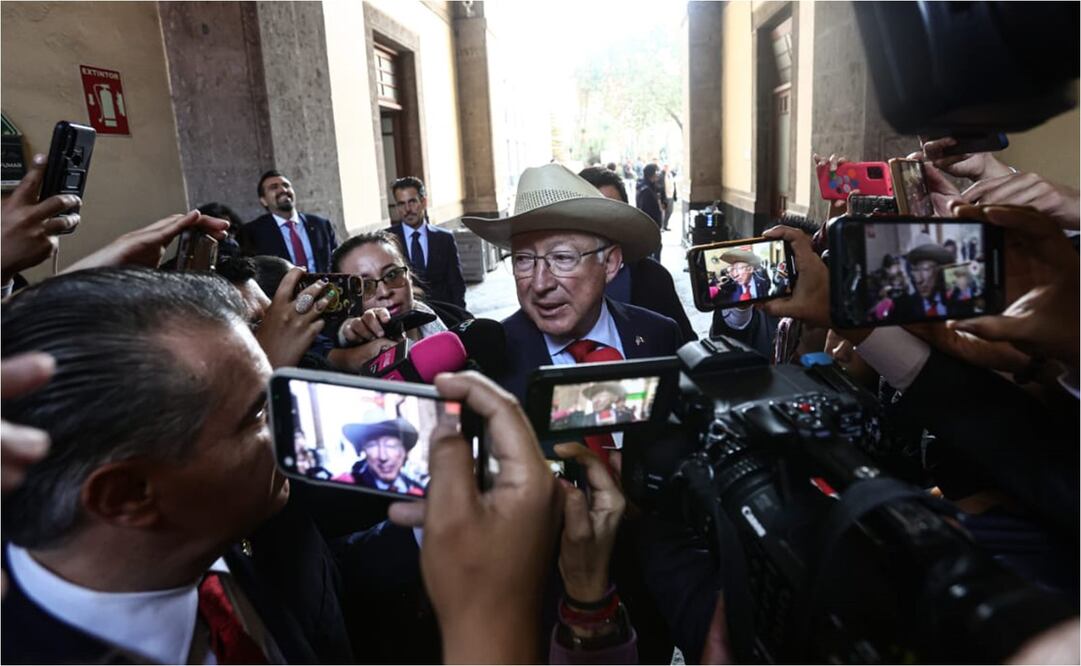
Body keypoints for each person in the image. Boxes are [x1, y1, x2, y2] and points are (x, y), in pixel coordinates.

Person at [463, 163, 681, 405]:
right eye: (523, 260)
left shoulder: (658, 336)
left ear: (609, 263)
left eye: (562, 258)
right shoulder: (488, 367)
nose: (540, 283)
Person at [578, 166, 697, 344]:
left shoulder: (654, 278)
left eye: (610, 211)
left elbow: (686, 347)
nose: (600, 223)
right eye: (590, 213)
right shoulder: (549, 283)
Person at [327, 231, 458, 373]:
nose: (384, 292)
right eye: (365, 286)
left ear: (409, 276)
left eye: (392, 275)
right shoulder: (343, 371)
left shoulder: (457, 319)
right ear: (348, 300)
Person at [387, 176, 467, 309]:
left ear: (423, 202)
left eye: (412, 202)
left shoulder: (444, 239)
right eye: (401, 204)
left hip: (442, 314)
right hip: (407, 317)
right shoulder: (388, 241)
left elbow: (456, 284)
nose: (407, 209)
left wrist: (460, 316)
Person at [238, 170, 339, 272]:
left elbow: (337, 263)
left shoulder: (321, 225)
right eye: (274, 187)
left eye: (286, 185)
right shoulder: (251, 233)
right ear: (263, 200)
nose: (283, 189)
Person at [334, 409, 425, 495]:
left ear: (404, 451)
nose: (383, 457)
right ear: (363, 450)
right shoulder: (348, 488)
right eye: (372, 445)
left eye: (391, 445)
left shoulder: (418, 491)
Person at [888, 243, 953, 321]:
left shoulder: (958, 301)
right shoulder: (902, 307)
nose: (919, 280)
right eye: (914, 270)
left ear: (940, 271)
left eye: (925, 269)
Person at [552, 382, 637, 429]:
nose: (595, 400)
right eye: (593, 397)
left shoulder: (625, 417)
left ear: (615, 398)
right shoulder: (582, 420)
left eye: (601, 395)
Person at [636, 164, 664, 260]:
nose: (658, 174)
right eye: (657, 171)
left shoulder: (650, 187)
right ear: (652, 174)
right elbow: (645, 210)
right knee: (654, 250)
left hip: (653, 226)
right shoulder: (646, 190)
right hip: (650, 227)